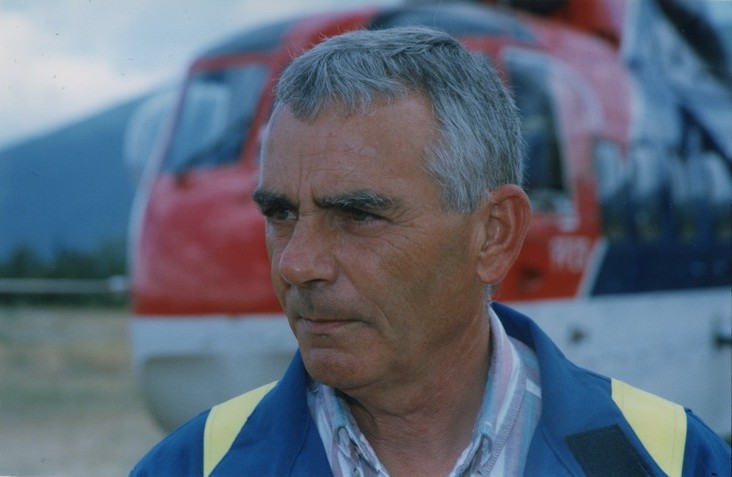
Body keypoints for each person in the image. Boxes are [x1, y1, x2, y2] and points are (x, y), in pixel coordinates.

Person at [131, 26, 730, 477]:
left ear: (494, 234)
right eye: (281, 213)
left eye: (358, 215)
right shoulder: (187, 467)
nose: (297, 264)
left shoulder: (671, 458)